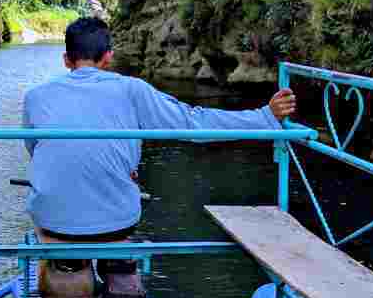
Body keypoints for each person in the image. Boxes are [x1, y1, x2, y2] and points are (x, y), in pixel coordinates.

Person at [22, 16, 297, 241]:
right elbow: (193, 123)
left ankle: (57, 292)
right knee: (117, 219)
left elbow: (37, 150)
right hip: (116, 220)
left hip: (53, 218)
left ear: (66, 60)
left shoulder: (35, 97)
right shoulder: (131, 89)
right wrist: (264, 117)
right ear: (108, 57)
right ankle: (115, 290)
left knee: (48, 224)